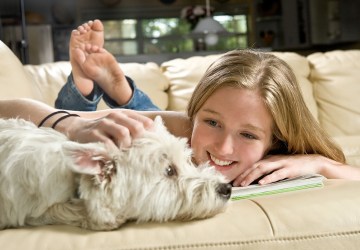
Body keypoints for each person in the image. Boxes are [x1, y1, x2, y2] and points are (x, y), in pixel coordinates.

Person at [53, 20, 360, 186]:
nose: (224, 149)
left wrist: (320, 163)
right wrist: (80, 91)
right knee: (141, 130)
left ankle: (123, 92)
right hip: (174, 129)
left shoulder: (283, 154)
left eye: (249, 135)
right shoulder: (186, 131)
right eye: (211, 122)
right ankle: (115, 90)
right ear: (195, 113)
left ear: (276, 141)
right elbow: (57, 122)